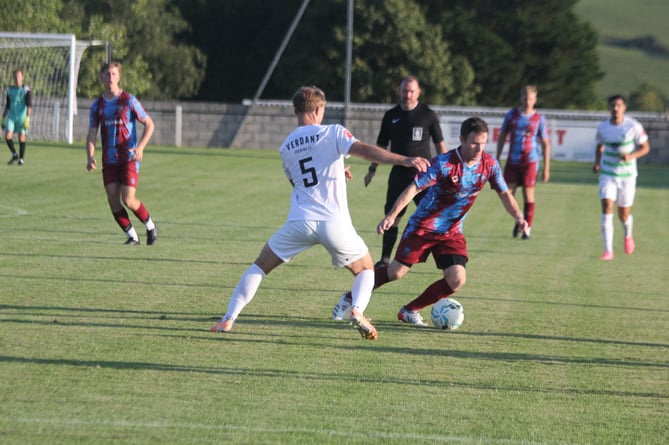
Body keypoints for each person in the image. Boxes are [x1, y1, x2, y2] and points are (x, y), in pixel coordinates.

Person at [210, 85, 430, 340]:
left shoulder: (286, 146)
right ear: (317, 109)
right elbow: (365, 150)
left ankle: (228, 319)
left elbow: (302, 182)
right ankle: (357, 311)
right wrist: (404, 160)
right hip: (333, 223)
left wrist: (336, 172)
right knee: (366, 270)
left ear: (297, 110)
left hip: (300, 222)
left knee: (260, 266)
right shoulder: (332, 132)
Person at [332, 117, 527, 326]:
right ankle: (349, 298)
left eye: (483, 143)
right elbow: (413, 188)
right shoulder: (444, 164)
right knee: (395, 272)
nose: (479, 149)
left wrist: (518, 217)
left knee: (457, 279)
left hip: (451, 232)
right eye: (474, 143)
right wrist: (391, 216)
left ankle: (409, 310)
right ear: (461, 139)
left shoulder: (489, 165)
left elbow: (505, 194)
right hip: (422, 228)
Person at [364, 76, 447, 266]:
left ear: (418, 92)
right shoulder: (391, 115)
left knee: (431, 217)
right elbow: (381, 145)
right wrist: (372, 169)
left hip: (424, 176)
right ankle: (385, 259)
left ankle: (441, 258)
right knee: (393, 216)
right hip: (399, 174)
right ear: (399, 91)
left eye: (411, 91)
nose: (408, 94)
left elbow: (440, 145)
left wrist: (445, 172)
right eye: (404, 91)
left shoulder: (428, 115)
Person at [86, 61, 158, 245]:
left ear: (119, 77)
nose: (110, 77)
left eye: (113, 74)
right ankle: (132, 236)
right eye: (107, 74)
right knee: (112, 199)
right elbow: (92, 132)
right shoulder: (97, 105)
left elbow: (149, 124)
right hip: (109, 159)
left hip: (129, 157)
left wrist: (140, 147)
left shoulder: (129, 100)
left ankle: (150, 225)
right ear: (102, 77)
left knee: (128, 199)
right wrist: (90, 156)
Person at [593, 94, 650, 260]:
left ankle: (627, 235)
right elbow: (599, 145)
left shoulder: (633, 126)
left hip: (627, 176)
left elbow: (645, 147)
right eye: (612, 105)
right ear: (609, 108)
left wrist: (631, 157)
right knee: (606, 207)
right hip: (607, 174)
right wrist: (597, 162)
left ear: (624, 108)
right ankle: (608, 250)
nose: (615, 108)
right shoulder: (603, 127)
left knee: (623, 215)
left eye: (618, 105)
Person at [495, 85, 550, 240]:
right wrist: (498, 156)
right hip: (513, 160)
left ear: (535, 100)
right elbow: (502, 135)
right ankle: (519, 220)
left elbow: (546, 143)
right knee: (508, 193)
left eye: (531, 99)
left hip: (530, 161)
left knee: (528, 194)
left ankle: (527, 229)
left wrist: (546, 168)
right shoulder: (512, 116)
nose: (527, 101)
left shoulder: (539, 119)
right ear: (521, 98)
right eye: (525, 98)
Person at [3, 69, 32, 166]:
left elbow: (29, 105)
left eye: (19, 76)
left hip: (22, 117)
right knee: (7, 136)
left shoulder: (26, 90)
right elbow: (7, 105)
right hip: (11, 116)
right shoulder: (10, 90)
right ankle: (15, 154)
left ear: (22, 77)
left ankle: (21, 159)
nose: (17, 78)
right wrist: (3, 118)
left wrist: (27, 118)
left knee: (21, 137)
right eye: (15, 76)